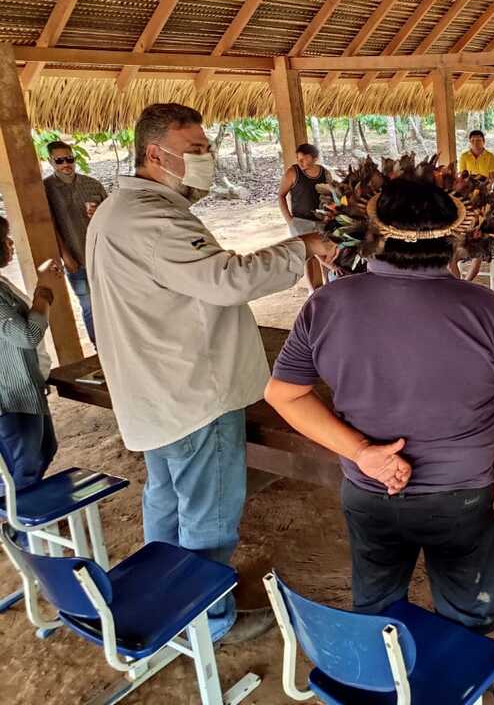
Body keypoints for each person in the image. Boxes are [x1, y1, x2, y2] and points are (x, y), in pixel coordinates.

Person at [265, 175, 494, 702]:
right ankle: (471, 686)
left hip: (370, 489)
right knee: (466, 600)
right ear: (454, 238)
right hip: (461, 494)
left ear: (370, 236)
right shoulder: (487, 310)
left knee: (376, 595)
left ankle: (377, 684)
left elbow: (285, 395)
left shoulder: (326, 304)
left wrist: (363, 453)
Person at [86, 103, 338, 644]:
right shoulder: (153, 217)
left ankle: (164, 594)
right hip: (193, 393)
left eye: (207, 148)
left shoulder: (118, 211)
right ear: (156, 153)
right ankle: (209, 618)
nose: (206, 159)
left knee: (167, 498)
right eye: (195, 151)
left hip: (153, 386)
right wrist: (303, 247)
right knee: (209, 512)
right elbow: (226, 280)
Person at [0, 216, 64, 502]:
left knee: (44, 450)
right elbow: (27, 335)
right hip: (11, 399)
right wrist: (44, 293)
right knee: (22, 470)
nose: (11, 244)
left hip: (25, 389)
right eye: (5, 239)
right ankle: (23, 531)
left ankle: (28, 521)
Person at [42, 140, 107, 346]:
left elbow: (113, 217)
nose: (66, 164)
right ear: (50, 161)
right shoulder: (46, 189)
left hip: (101, 254)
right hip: (74, 256)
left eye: (69, 158)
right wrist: (64, 254)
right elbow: (49, 224)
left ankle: (118, 345)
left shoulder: (92, 185)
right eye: (59, 160)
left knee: (110, 300)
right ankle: (99, 348)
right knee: (88, 305)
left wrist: (100, 214)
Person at [278, 143, 333, 293]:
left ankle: (329, 285)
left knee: (326, 253)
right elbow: (281, 196)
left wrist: (330, 215)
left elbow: (331, 196)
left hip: (322, 221)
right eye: (298, 159)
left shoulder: (325, 173)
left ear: (314, 158)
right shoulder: (293, 172)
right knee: (308, 257)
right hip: (300, 222)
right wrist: (289, 220)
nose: (300, 162)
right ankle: (312, 290)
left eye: (304, 159)